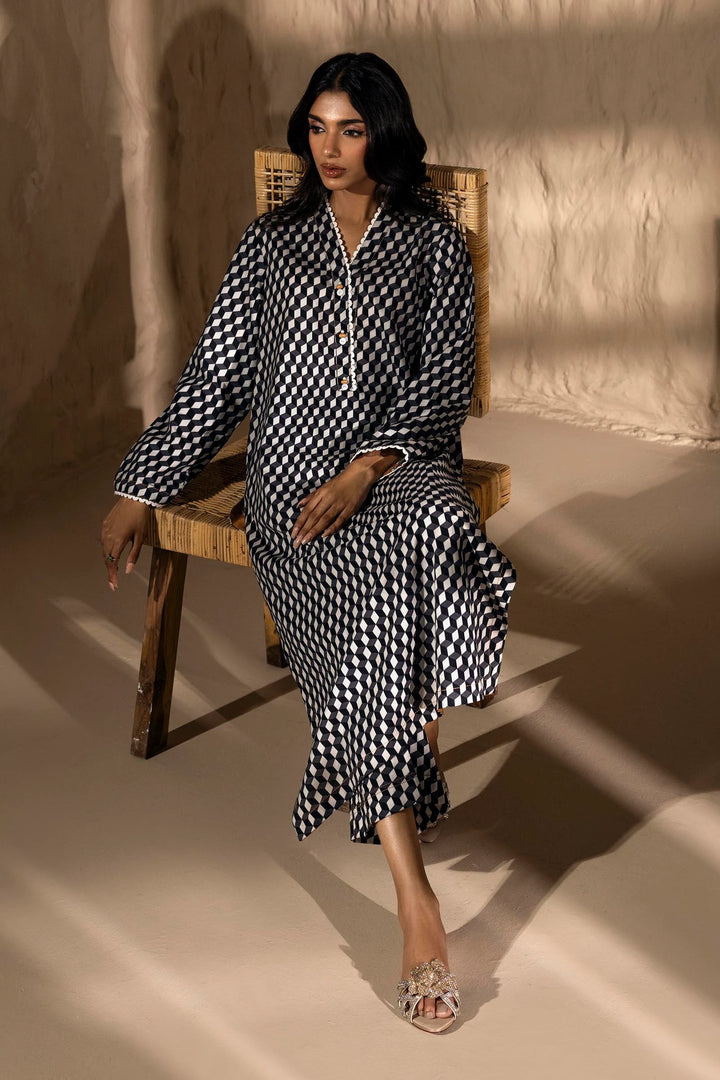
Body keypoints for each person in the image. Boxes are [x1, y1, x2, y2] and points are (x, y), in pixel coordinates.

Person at [101, 51, 516, 1033]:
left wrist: (366, 469)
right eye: (317, 128)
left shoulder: (430, 243)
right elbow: (212, 382)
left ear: (385, 132)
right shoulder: (268, 247)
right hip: (294, 483)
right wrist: (138, 481)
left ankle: (401, 746)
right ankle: (416, 899)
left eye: (351, 129)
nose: (328, 149)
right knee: (365, 615)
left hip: (395, 458)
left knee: (442, 526)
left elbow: (444, 380)